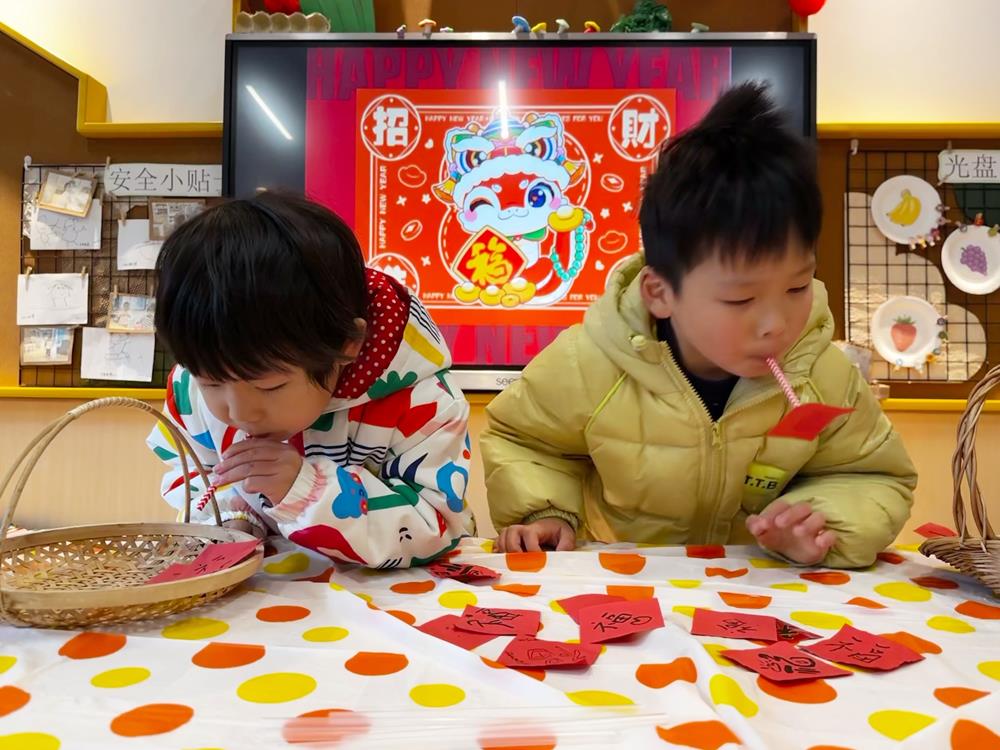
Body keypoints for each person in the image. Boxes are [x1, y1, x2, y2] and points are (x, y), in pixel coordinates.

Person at [482, 83, 916, 568]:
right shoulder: (588, 363)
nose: (776, 324)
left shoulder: (822, 374)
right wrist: (546, 511)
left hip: (762, 589)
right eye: (740, 298)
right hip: (628, 582)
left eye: (797, 287)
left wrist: (817, 525)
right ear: (660, 293)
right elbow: (524, 441)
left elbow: (873, 476)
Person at [147, 191, 473, 569]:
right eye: (211, 383)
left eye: (270, 386)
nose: (240, 413)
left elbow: (435, 525)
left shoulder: (423, 403)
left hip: (394, 594)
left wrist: (305, 490)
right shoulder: (190, 388)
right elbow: (190, 476)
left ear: (349, 344)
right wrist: (234, 517)